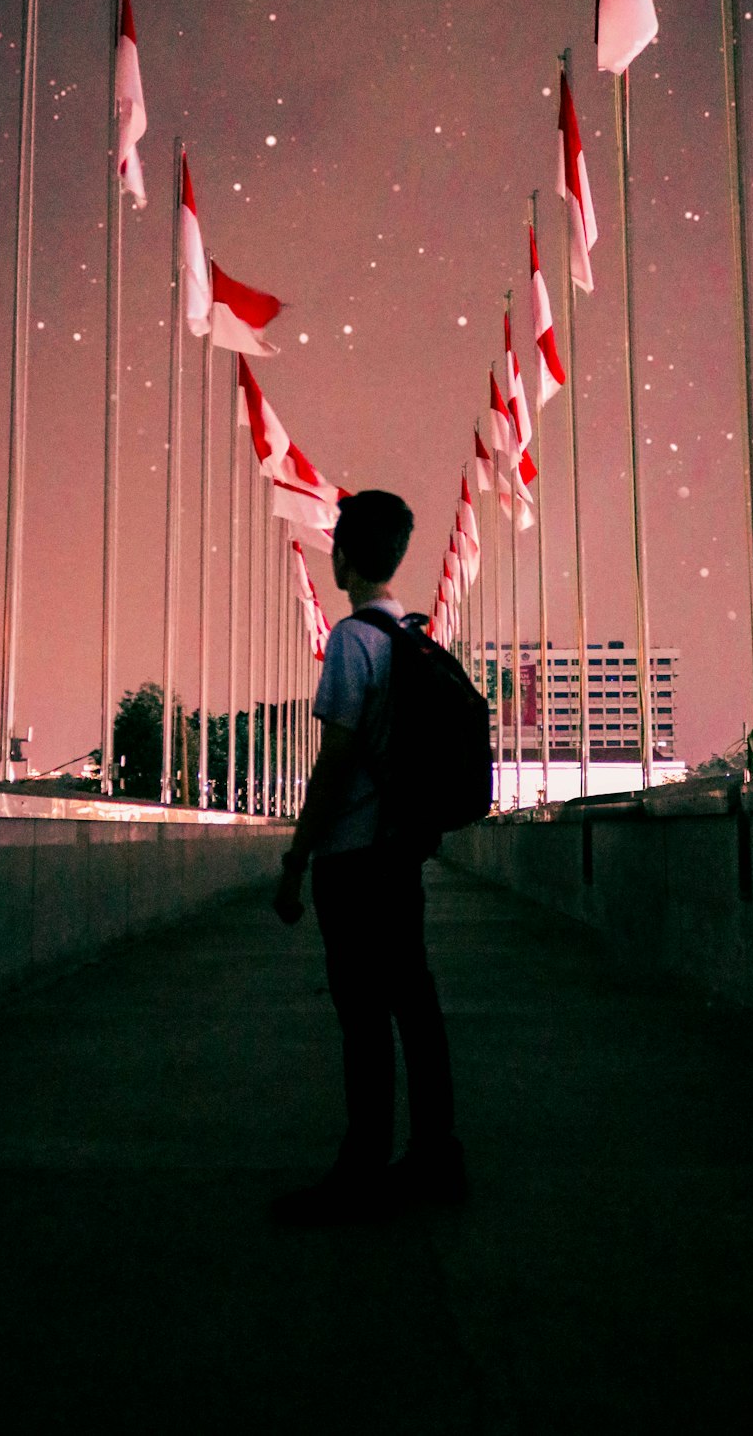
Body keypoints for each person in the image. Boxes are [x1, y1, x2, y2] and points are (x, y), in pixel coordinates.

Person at [272, 490, 466, 1226]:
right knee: (414, 1005)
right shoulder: (414, 639)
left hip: (354, 861)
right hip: (402, 857)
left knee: (362, 1016)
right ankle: (435, 1155)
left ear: (344, 558)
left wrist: (295, 859)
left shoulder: (352, 643)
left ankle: (362, 1171)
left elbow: (335, 762)